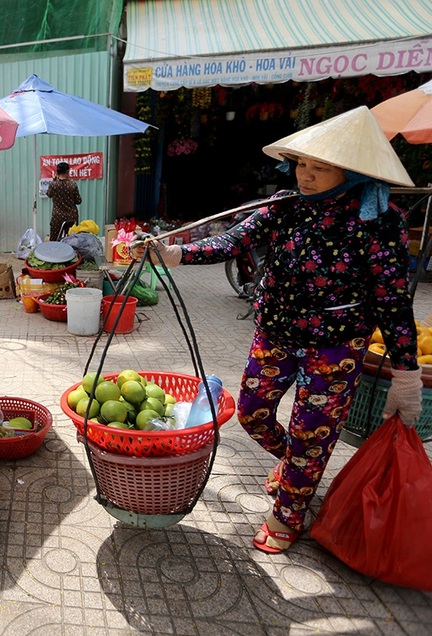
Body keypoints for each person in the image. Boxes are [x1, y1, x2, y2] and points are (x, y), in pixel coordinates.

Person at [130, 106, 421, 554]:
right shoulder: (285, 204)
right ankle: (295, 471)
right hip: (275, 334)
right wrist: (176, 254)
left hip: (335, 348)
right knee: (252, 412)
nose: (306, 175)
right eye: (302, 163)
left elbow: (392, 298)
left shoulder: (378, 219)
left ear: (353, 172)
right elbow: (233, 241)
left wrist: (406, 371)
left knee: (312, 433)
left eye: (320, 167)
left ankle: (290, 511)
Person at [45, 162, 82, 240]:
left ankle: (54, 251)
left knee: (54, 239)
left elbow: (49, 194)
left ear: (57, 172)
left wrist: (54, 180)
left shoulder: (53, 184)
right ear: (67, 171)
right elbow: (78, 201)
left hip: (57, 216)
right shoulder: (73, 185)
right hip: (71, 216)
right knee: (71, 239)